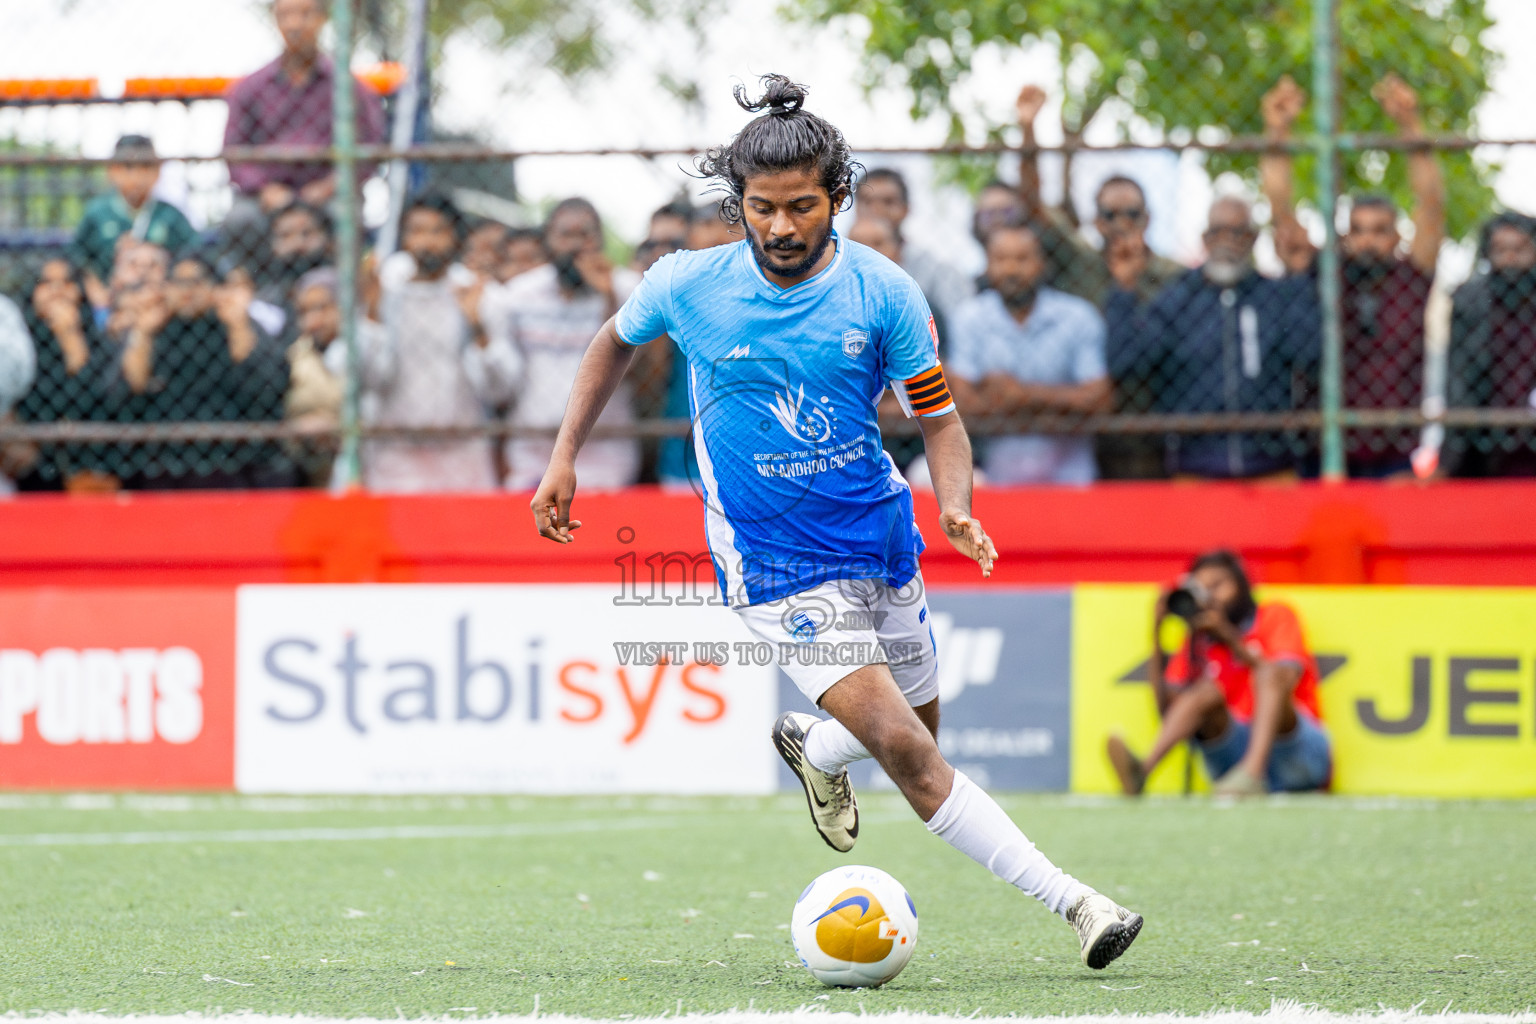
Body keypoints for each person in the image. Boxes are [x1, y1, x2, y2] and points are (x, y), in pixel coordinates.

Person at [528, 74, 1142, 971]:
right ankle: (1080, 904)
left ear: (838, 199)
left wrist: (956, 504)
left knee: (922, 738)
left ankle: (816, 746)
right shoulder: (688, 284)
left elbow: (935, 417)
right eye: (762, 208)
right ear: (737, 203)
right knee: (905, 749)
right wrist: (563, 455)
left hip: (881, 535)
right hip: (772, 563)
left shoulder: (884, 294)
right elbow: (614, 343)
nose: (780, 227)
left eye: (803, 207)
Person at [1262, 73, 1445, 477]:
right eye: (1358, 230)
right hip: (1324, 453)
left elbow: (1431, 206)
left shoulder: (1410, 279)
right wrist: (1278, 130)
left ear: (1396, 236)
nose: (1367, 242)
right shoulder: (1327, 275)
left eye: (1380, 231)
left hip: (1394, 455)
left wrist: (1410, 125)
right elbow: (1281, 213)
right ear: (1344, 236)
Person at [1110, 197, 1320, 479]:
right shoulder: (1178, 299)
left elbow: (1311, 353)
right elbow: (1127, 361)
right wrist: (1124, 290)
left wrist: (1298, 278)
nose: (1227, 242)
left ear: (1254, 239)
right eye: (1217, 232)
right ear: (1205, 240)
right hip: (1195, 469)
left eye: (1238, 233)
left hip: (1272, 466)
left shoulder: (1275, 296)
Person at [1106, 550, 1332, 797]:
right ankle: (1142, 772)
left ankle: (1252, 775)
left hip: (1295, 754)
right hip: (1234, 759)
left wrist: (1229, 637)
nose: (1211, 597)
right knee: (1203, 692)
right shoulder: (1198, 642)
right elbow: (1166, 714)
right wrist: (1157, 634)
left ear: (1242, 584)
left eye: (1217, 585)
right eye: (1201, 590)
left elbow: (1284, 680)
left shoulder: (1274, 615)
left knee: (1268, 673)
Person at [479, 197, 641, 490]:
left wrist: (609, 301)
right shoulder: (519, 294)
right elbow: (501, 375)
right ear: (548, 242)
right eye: (565, 235)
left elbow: (634, 370)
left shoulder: (626, 288)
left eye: (585, 235)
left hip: (605, 455)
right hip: (533, 453)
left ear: (600, 241)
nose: (576, 246)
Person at [220, 0, 385, 266]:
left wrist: (331, 185)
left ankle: (338, 293)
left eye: (305, 14)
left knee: (345, 216)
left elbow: (371, 148)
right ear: (275, 20)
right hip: (265, 196)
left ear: (322, 19)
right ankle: (256, 296)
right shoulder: (251, 88)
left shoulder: (348, 87)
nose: (295, 24)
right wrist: (264, 190)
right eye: (286, 15)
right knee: (240, 220)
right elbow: (234, 152)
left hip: (328, 192)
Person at [363, 193, 507, 493]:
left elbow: (500, 388)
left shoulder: (479, 294)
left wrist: (477, 327)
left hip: (463, 456)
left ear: (456, 238)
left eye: (437, 231)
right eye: (417, 231)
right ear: (403, 238)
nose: (426, 242)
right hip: (396, 456)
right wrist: (373, 316)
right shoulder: (384, 293)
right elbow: (370, 379)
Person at [947, 222, 1110, 485]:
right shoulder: (969, 318)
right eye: (1001, 259)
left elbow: (1099, 399)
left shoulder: (1077, 317)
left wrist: (1020, 394)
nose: (1011, 270)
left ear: (1042, 264)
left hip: (1071, 479)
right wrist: (1061, 401)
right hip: (999, 481)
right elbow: (962, 403)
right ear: (987, 265)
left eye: (1022, 259)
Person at [110, 254, 292, 489]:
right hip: (163, 460)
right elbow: (123, 393)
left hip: (231, 460)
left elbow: (267, 391)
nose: (188, 291)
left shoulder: (234, 324)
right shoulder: (155, 329)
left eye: (197, 281)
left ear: (214, 288)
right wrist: (143, 334)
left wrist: (238, 326)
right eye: (179, 282)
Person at [11, 258, 117, 492]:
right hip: (33, 467)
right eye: (46, 283)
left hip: (91, 464)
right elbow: (38, 406)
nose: (57, 291)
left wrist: (71, 337)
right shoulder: (17, 344)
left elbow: (97, 402)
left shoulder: (100, 341)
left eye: (66, 283)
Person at [1447, 211, 1536, 476]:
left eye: (1520, 249)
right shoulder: (1471, 300)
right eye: (1500, 250)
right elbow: (1458, 377)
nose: (1510, 258)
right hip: (1483, 440)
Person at [70, 135, 197, 310]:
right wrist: (95, 287)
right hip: (107, 303)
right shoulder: (97, 213)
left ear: (157, 172)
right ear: (112, 171)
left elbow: (193, 254)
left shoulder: (170, 215)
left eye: (146, 167)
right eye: (128, 167)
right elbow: (77, 256)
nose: (137, 175)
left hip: (159, 303)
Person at [857, 167, 973, 330]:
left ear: (906, 210)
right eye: (867, 202)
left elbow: (957, 328)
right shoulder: (835, 262)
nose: (877, 210)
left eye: (888, 202)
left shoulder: (936, 270)